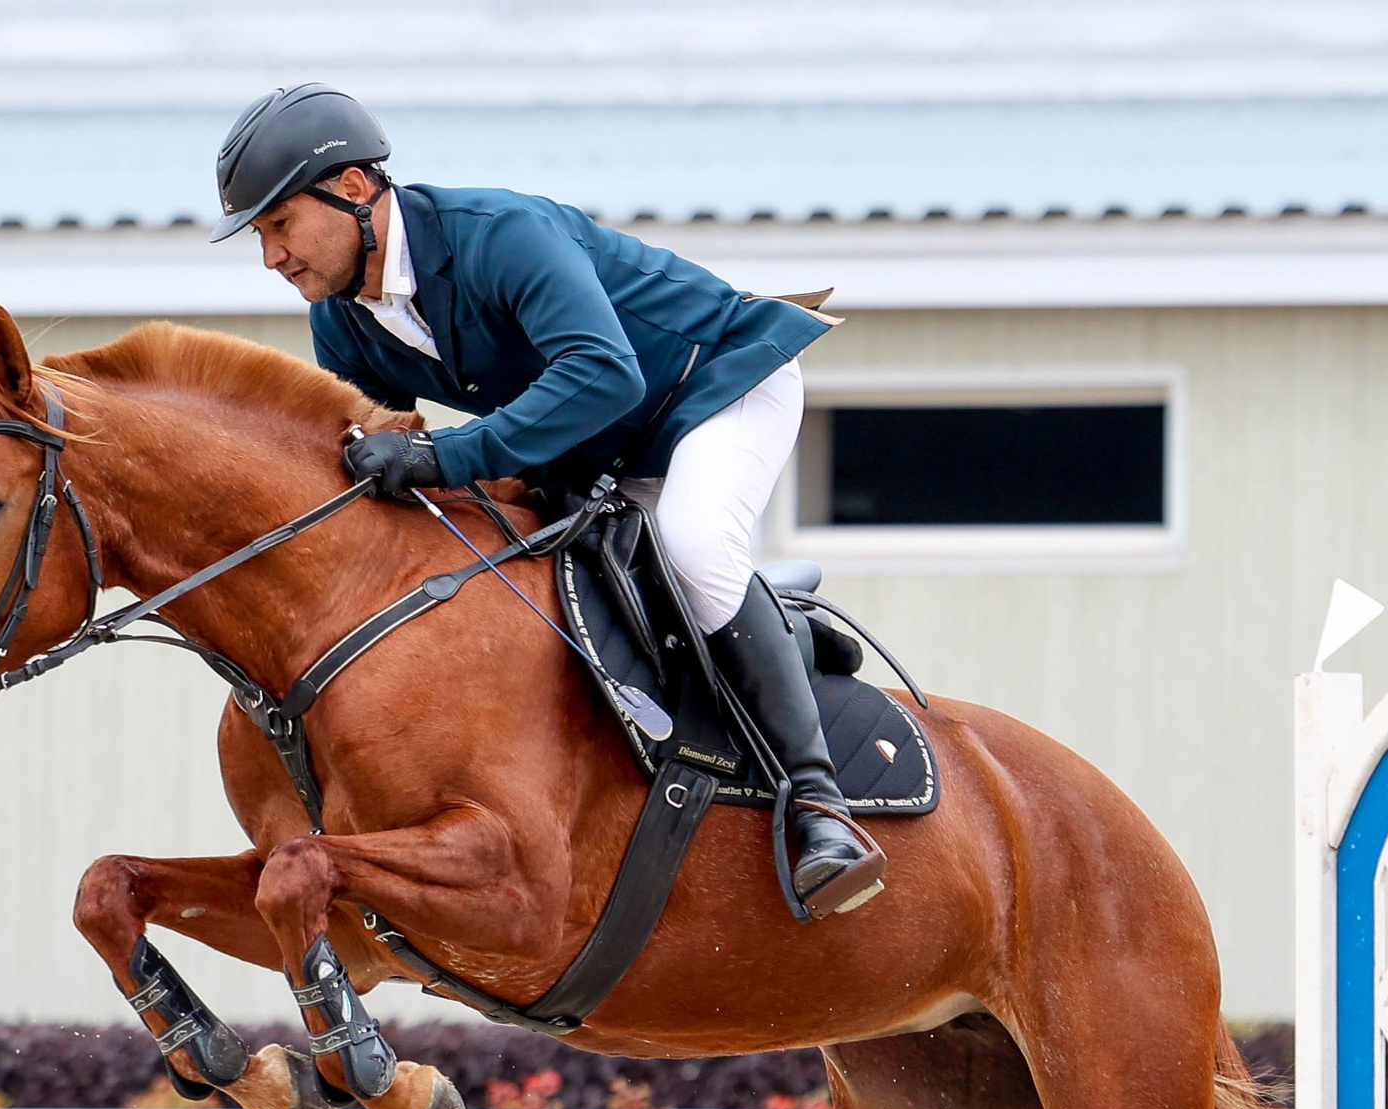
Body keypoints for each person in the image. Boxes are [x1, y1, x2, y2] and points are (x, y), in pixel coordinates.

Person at [208, 84, 886, 920]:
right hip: (603, 441)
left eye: (278, 225)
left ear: (352, 189)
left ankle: (823, 810)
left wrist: (442, 454)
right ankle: (750, 643)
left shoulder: (501, 236)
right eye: (261, 236)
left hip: (717, 385)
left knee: (696, 544)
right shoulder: (343, 324)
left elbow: (603, 373)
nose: (271, 257)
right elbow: (374, 470)